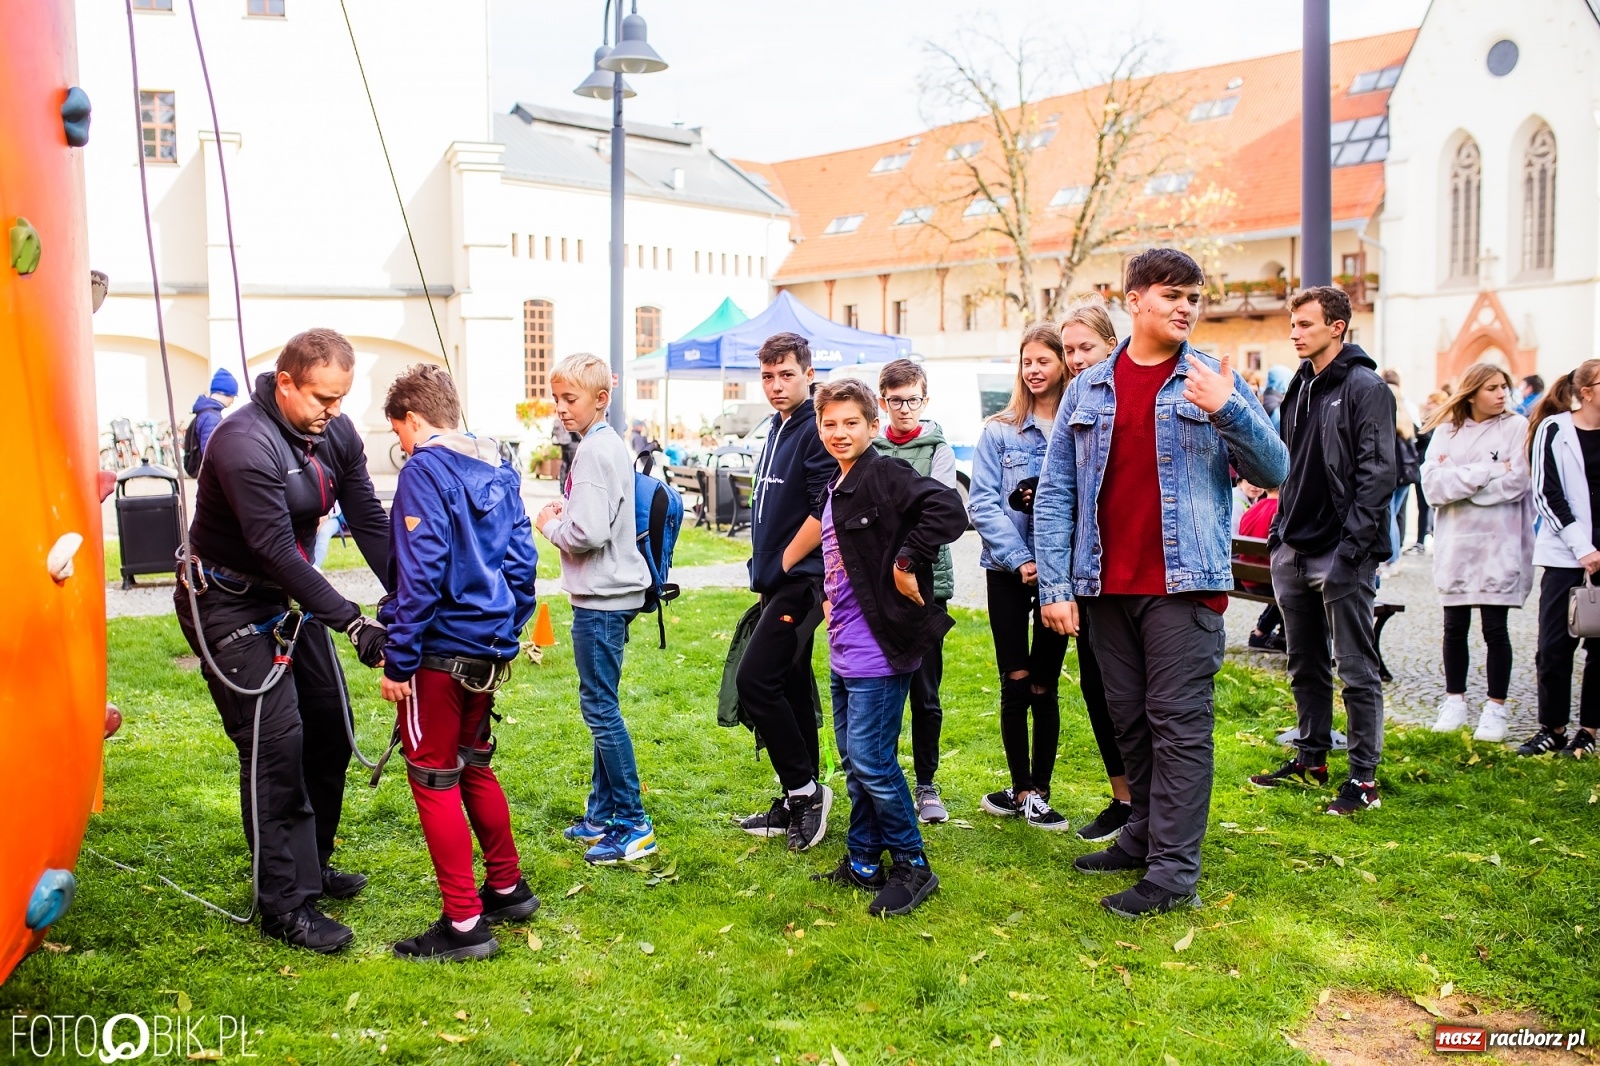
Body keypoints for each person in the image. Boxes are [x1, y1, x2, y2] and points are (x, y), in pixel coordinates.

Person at [1035, 247, 1287, 917]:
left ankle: (1174, 871)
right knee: (1131, 723)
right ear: (1135, 299)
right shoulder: (1088, 386)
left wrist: (1230, 408)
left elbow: (1276, 469)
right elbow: (1059, 490)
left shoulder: (1211, 379)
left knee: (1178, 728)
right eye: (1172, 294)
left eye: (1194, 297)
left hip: (1184, 585)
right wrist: (1054, 586)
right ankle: (1142, 834)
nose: (1185, 307)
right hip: (1104, 586)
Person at [173, 328, 392, 953]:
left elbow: (369, 518)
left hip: (286, 595)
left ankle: (312, 865)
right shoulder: (243, 442)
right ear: (286, 382)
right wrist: (353, 621)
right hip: (226, 599)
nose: (334, 412)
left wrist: (406, 595)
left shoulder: (334, 431)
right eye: (323, 398)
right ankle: (284, 904)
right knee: (276, 744)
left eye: (342, 399)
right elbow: (273, 551)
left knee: (328, 722)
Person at [376, 365, 541, 961]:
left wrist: (398, 660)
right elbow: (523, 562)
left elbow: (419, 573)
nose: (401, 447)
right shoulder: (499, 465)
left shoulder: (424, 469)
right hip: (488, 647)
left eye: (399, 434)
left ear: (414, 421)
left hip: (439, 652)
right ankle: (506, 888)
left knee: (434, 774)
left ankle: (465, 923)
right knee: (473, 763)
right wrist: (507, 627)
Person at [792, 379, 967, 915]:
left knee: (871, 759)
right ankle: (864, 859)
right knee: (855, 760)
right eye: (829, 423)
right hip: (844, 646)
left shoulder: (884, 473)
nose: (839, 433)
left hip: (879, 650)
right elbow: (838, 555)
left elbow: (949, 509)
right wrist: (826, 597)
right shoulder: (837, 484)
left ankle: (913, 865)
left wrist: (907, 560)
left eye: (851, 423)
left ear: (873, 426)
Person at [1249, 286, 1396, 815]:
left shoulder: (1365, 387)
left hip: (1341, 552)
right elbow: (1289, 466)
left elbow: (1379, 474)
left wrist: (1352, 551)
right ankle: (1311, 757)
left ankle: (1363, 780)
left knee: (1355, 667)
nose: (1295, 332)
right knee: (1303, 662)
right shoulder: (1300, 386)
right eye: (1293, 324)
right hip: (1293, 546)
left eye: (1305, 324)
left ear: (1337, 327)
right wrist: (1279, 536)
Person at [534, 353, 658, 863]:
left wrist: (549, 524)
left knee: (601, 711)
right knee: (602, 704)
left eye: (571, 399)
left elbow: (588, 534)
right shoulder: (607, 445)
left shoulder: (592, 452)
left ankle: (633, 824)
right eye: (557, 398)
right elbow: (598, 516)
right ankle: (601, 816)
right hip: (613, 594)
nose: (561, 408)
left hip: (602, 600)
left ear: (600, 399)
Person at [734, 333, 837, 850]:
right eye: (768, 376)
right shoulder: (779, 428)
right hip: (774, 583)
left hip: (801, 583)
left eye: (786, 375)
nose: (776, 386)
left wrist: (784, 561)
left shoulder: (814, 428)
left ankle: (806, 791)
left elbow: (826, 506)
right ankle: (797, 794)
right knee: (792, 686)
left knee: (756, 682)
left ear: (808, 374)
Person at [970, 324, 1072, 831]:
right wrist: (1019, 557)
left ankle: (1042, 791)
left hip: (1061, 578)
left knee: (1044, 685)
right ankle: (1021, 786)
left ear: (1063, 365)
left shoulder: (1079, 428)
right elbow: (982, 501)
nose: (1034, 370)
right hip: (1007, 571)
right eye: (1026, 361)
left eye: (1043, 361)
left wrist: (1052, 566)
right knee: (1014, 680)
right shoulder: (999, 430)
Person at [1419, 363, 1533, 742]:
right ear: (1472, 393)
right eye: (1492, 388)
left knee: (1495, 629)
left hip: (1498, 543)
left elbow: (1517, 482)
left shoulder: (1517, 428)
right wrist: (1489, 469)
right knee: (1454, 627)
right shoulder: (1447, 431)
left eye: (1504, 387)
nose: (1502, 394)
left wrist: (1462, 477)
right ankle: (1455, 701)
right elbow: (1433, 487)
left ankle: (1495, 707)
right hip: (1456, 543)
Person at [1057, 297, 1135, 843]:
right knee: (1097, 689)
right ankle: (1122, 797)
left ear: (1112, 344)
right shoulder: (1072, 405)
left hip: (1132, 570)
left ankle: (1152, 805)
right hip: (1086, 573)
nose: (1077, 359)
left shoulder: (1123, 395)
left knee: (1137, 694)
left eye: (1087, 347)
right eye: (1069, 350)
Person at [870, 359, 958, 823]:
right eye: (896, 400)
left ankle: (927, 784)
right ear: (883, 401)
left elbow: (939, 514)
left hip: (928, 585)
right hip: (876, 585)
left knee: (926, 692)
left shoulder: (938, 449)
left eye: (913, 400)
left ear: (925, 400)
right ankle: (878, 776)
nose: (905, 409)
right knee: (881, 688)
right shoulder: (873, 448)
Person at [1522, 360, 1600, 758]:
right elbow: (1546, 493)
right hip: (1566, 553)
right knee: (1553, 646)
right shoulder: (1555, 429)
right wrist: (1583, 548)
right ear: (1585, 391)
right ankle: (1551, 727)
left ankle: (1587, 732)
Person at [1381, 379, 1421, 577]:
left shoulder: (1390, 419)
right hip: (1404, 475)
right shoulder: (1405, 419)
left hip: (1394, 475)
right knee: (1393, 516)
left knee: (1389, 518)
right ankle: (1394, 559)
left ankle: (1392, 559)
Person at [1239, 485, 1285, 651]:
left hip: (1247, 578)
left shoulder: (1253, 508)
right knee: (1295, 584)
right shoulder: (1283, 511)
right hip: (1269, 583)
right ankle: (1278, 635)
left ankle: (1264, 633)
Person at [190, 367, 238, 456]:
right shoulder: (211, 418)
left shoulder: (206, 412)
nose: (233, 400)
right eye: (232, 396)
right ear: (221, 393)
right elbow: (210, 454)